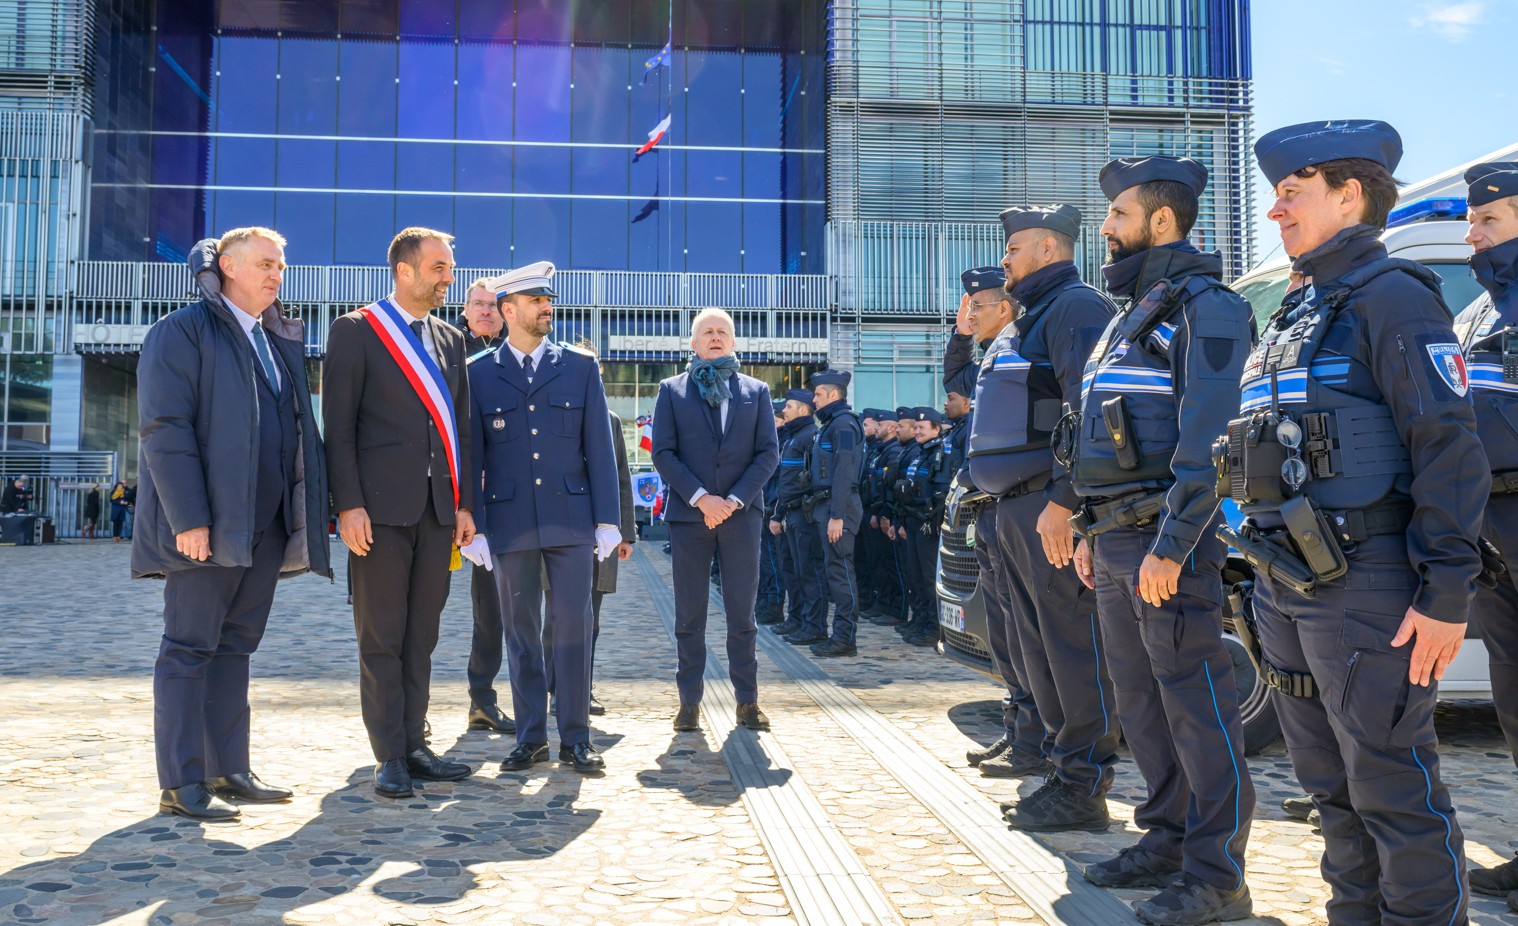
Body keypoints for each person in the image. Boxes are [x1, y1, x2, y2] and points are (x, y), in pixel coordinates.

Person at [1227, 121, 1484, 926]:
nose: (1276, 212)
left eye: (1291, 194)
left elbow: (1448, 448)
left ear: (1349, 194)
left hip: (1368, 583)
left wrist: (1446, 592)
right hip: (1286, 583)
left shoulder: (1396, 298)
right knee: (1327, 788)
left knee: (1390, 784)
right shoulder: (1299, 308)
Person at [1068, 156, 1255, 924]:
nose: (1106, 228)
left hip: (1163, 545)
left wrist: (1175, 545)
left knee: (1195, 710)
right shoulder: (1131, 313)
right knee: (1142, 707)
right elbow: (1092, 432)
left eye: (1117, 215)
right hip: (1114, 542)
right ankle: (1168, 838)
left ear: (1162, 222)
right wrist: (1085, 527)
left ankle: (1218, 876)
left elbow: (1210, 439)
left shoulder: (1206, 308)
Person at [133, 229, 331, 820]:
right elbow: (164, 431)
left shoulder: (275, 339)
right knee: (189, 648)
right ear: (228, 266)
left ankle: (228, 768)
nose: (277, 274)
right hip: (207, 529)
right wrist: (188, 520)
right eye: (266, 264)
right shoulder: (180, 332)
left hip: (264, 527)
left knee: (236, 647)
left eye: (282, 264)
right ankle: (181, 781)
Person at [966, 204, 1121, 827]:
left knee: (1071, 646)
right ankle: (1063, 772)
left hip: (1046, 508)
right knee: (1038, 650)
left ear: (1049, 251)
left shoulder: (1077, 309)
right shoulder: (1035, 315)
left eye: (1014, 249)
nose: (1005, 261)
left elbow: (1090, 409)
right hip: (1017, 507)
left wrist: (1065, 501)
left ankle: (1084, 784)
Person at [323, 227, 477, 799]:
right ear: (405, 271)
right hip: (379, 515)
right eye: (439, 267)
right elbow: (336, 429)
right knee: (381, 636)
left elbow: (459, 429)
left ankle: (415, 743)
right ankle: (388, 754)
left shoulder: (449, 339)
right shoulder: (357, 330)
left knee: (422, 637)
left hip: (438, 513)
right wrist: (348, 505)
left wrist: (464, 504)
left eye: (450, 268)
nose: (448, 278)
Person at [470, 262, 621, 774]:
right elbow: (473, 455)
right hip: (510, 522)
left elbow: (599, 447)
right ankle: (531, 736)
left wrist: (608, 519)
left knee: (573, 628)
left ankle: (575, 738)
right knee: (520, 631)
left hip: (572, 518)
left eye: (548, 300)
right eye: (536, 301)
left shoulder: (579, 367)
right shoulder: (479, 373)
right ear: (507, 310)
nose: (547, 308)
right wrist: (475, 521)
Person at [652, 308, 779, 731]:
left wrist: (735, 500)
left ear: (733, 341)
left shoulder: (756, 391)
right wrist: (703, 498)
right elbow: (663, 453)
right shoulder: (672, 390)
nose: (715, 337)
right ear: (693, 343)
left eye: (722, 331)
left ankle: (747, 701)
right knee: (690, 614)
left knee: (742, 614)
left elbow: (767, 454)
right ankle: (689, 702)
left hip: (741, 518)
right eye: (706, 331)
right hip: (691, 517)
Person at [945, 267, 1049, 774]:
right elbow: (954, 379)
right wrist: (960, 335)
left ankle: (1036, 742)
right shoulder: (991, 356)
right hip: (987, 512)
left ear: (1004, 308)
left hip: (1020, 506)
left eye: (976, 307)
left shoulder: (1021, 350)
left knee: (1026, 633)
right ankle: (1018, 732)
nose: (969, 315)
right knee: (1005, 635)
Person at [1460, 162, 1518, 906]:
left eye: (1490, 222)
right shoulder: (1476, 312)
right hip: (1493, 534)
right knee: (1512, 701)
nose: (1473, 236)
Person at [543, 337, 636, 719]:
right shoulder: (547, 415)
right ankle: (553, 690)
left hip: (599, 536)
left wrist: (625, 532)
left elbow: (621, 478)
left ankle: (581, 689)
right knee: (555, 618)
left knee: (589, 619)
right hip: (555, 532)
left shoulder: (611, 421)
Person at [458, 277, 516, 736]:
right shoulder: (445, 350)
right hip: (453, 499)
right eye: (477, 304)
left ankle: (483, 698)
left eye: (492, 306)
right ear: (464, 309)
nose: (484, 311)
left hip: (507, 501)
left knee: (498, 607)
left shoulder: (519, 354)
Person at [803, 370, 866, 657]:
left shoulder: (842, 425)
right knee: (834, 573)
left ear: (832, 394)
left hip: (838, 508)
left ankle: (845, 639)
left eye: (817, 394)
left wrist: (837, 515)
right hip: (827, 507)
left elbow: (844, 471)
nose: (813, 400)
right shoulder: (831, 425)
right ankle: (838, 634)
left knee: (841, 574)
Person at [769, 389, 826, 644]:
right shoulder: (793, 438)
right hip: (790, 513)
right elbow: (786, 483)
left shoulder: (809, 437)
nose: (785, 411)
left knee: (810, 573)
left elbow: (811, 481)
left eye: (789, 407)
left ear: (803, 410)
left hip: (805, 515)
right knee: (793, 571)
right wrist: (778, 513)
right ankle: (797, 619)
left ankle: (814, 626)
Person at [897, 407, 952, 647]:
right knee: (915, 574)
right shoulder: (920, 454)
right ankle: (920, 620)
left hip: (927, 522)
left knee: (929, 577)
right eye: (916, 427)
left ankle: (934, 628)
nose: (917, 431)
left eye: (922, 428)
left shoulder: (939, 453)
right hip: (913, 520)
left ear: (937, 429)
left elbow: (940, 492)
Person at [755, 400, 790, 626]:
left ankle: (774, 604)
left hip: (774, 510)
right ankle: (765, 601)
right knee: (763, 562)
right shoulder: (773, 442)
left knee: (773, 563)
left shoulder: (784, 442)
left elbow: (782, 481)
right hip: (763, 507)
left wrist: (776, 510)